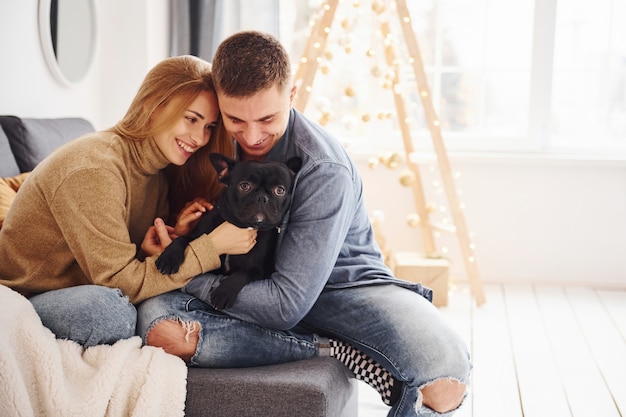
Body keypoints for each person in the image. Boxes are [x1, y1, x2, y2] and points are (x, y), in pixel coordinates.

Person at [139, 32, 471, 417]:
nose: (251, 136)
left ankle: (314, 339)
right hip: (246, 283)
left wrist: (183, 271)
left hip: (344, 288)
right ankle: (325, 348)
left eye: (267, 118)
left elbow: (285, 304)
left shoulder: (323, 168)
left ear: (291, 96)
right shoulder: (206, 137)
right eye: (235, 120)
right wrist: (181, 242)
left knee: (446, 380)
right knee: (160, 329)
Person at [0, 55, 257, 348]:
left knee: (159, 307)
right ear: (151, 105)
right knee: (111, 312)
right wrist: (210, 248)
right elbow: (118, 283)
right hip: (26, 298)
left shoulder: (157, 171)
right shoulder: (94, 169)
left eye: (209, 126)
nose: (199, 138)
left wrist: (175, 238)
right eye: (191, 119)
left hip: (88, 286)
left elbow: (119, 262)